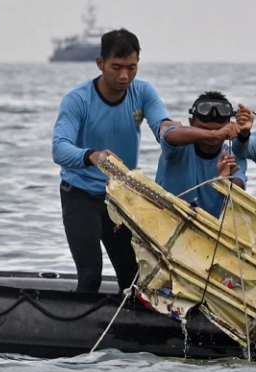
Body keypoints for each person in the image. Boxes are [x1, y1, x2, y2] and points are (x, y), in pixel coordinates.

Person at [52, 29, 175, 293]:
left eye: (131, 68)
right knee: (90, 276)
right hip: (80, 194)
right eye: (116, 67)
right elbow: (59, 149)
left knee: (134, 280)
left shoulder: (142, 92)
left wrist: (184, 133)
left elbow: (162, 127)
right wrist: (92, 156)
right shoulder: (78, 99)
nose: (124, 76)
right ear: (100, 64)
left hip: (120, 198)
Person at [155, 91, 247, 217]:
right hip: (166, 219)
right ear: (191, 123)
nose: (212, 138)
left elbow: (239, 187)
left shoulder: (232, 156)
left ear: (228, 127)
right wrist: (215, 134)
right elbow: (168, 135)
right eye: (204, 129)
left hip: (209, 230)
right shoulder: (177, 146)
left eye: (219, 129)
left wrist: (225, 182)